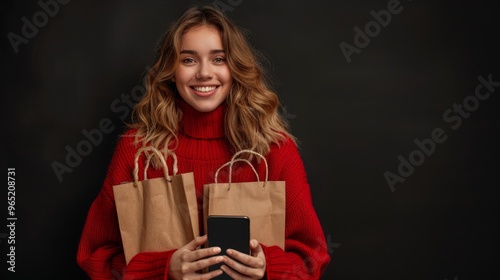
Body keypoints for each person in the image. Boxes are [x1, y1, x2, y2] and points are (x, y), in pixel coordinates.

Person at [77, 5, 330, 279]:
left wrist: (269, 267)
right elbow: (95, 255)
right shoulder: (137, 150)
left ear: (235, 68)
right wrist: (162, 270)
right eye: (188, 60)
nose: (204, 73)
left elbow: (311, 258)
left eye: (218, 59)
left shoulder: (274, 150)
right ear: (171, 71)